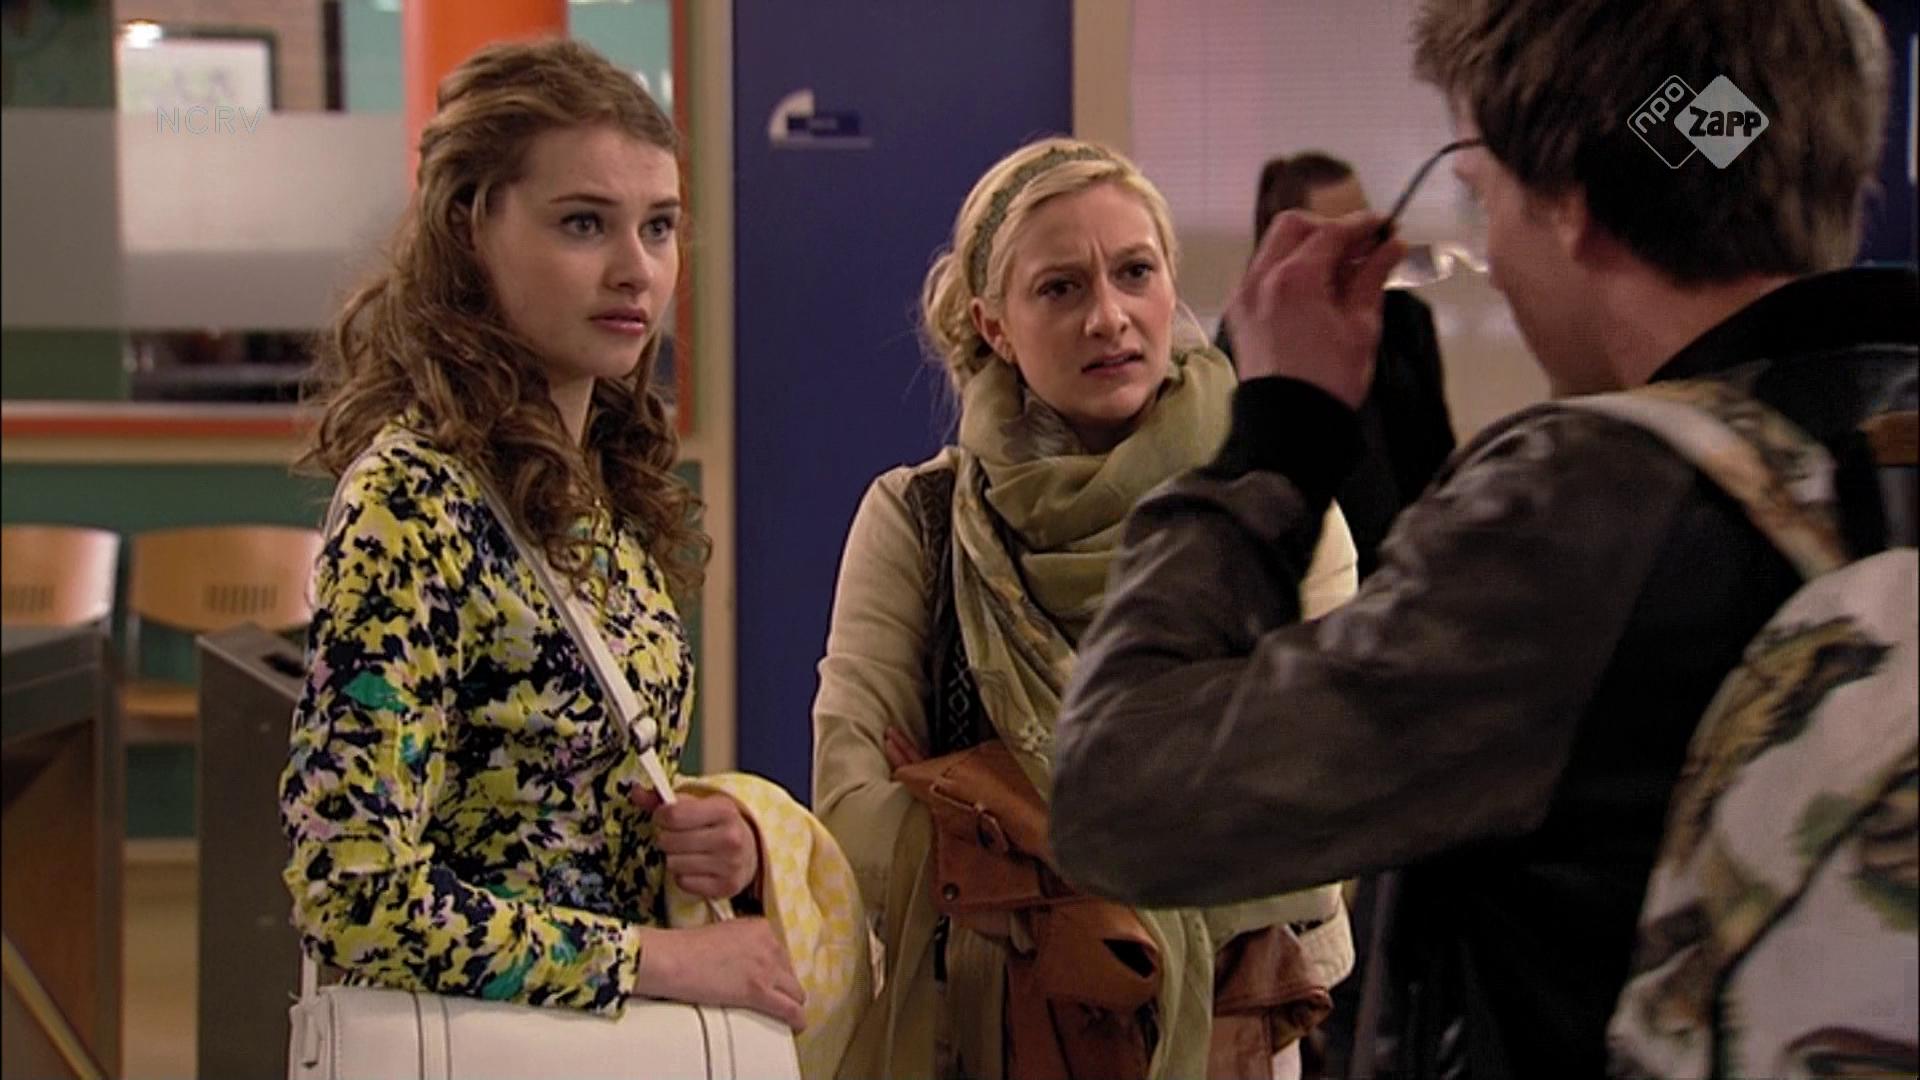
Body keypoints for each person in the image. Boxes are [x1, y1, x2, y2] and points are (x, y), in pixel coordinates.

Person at [1051, 1, 1915, 1077]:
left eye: (1482, 190)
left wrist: (1277, 435)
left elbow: (1120, 796)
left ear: (1574, 203)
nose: (1492, 252)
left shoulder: (1583, 512)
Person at [280, 39, 806, 1032]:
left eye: (659, 227)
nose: (635, 270)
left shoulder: (596, 476)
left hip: (605, 1035)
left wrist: (715, 845)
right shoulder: (413, 501)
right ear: (469, 229)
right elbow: (352, 893)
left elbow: (570, 802)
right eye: (583, 223)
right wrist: (654, 957)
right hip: (482, 1039)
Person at [811, 136, 1359, 1080]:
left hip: (1226, 1029)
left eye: (1134, 273)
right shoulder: (921, 518)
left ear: (1170, 286)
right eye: (1060, 288)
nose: (1109, 317)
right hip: (981, 1034)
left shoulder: (1278, 509)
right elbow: (854, 809)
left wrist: (984, 806)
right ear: (994, 326)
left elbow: (1328, 811)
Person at [1215, 152, 1456, 578]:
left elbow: (1436, 458)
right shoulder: (1249, 338)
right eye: (1338, 237)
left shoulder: (1407, 320)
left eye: (1367, 229)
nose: (1362, 251)